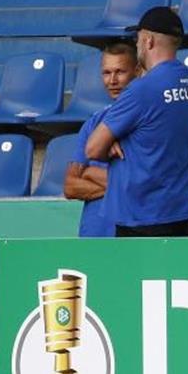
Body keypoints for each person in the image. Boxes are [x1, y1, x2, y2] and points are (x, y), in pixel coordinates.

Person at [85, 6, 188, 237]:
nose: (136, 45)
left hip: (142, 218)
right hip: (178, 213)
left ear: (147, 41)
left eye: (137, 39)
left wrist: (112, 140)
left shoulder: (143, 89)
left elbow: (93, 149)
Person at [63, 41, 139, 237]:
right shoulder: (94, 122)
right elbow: (70, 186)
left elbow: (140, 186)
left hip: (131, 236)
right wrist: (119, 188)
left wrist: (90, 174)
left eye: (120, 72)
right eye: (106, 72)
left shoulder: (146, 122)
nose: (112, 80)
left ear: (137, 71)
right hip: (93, 236)